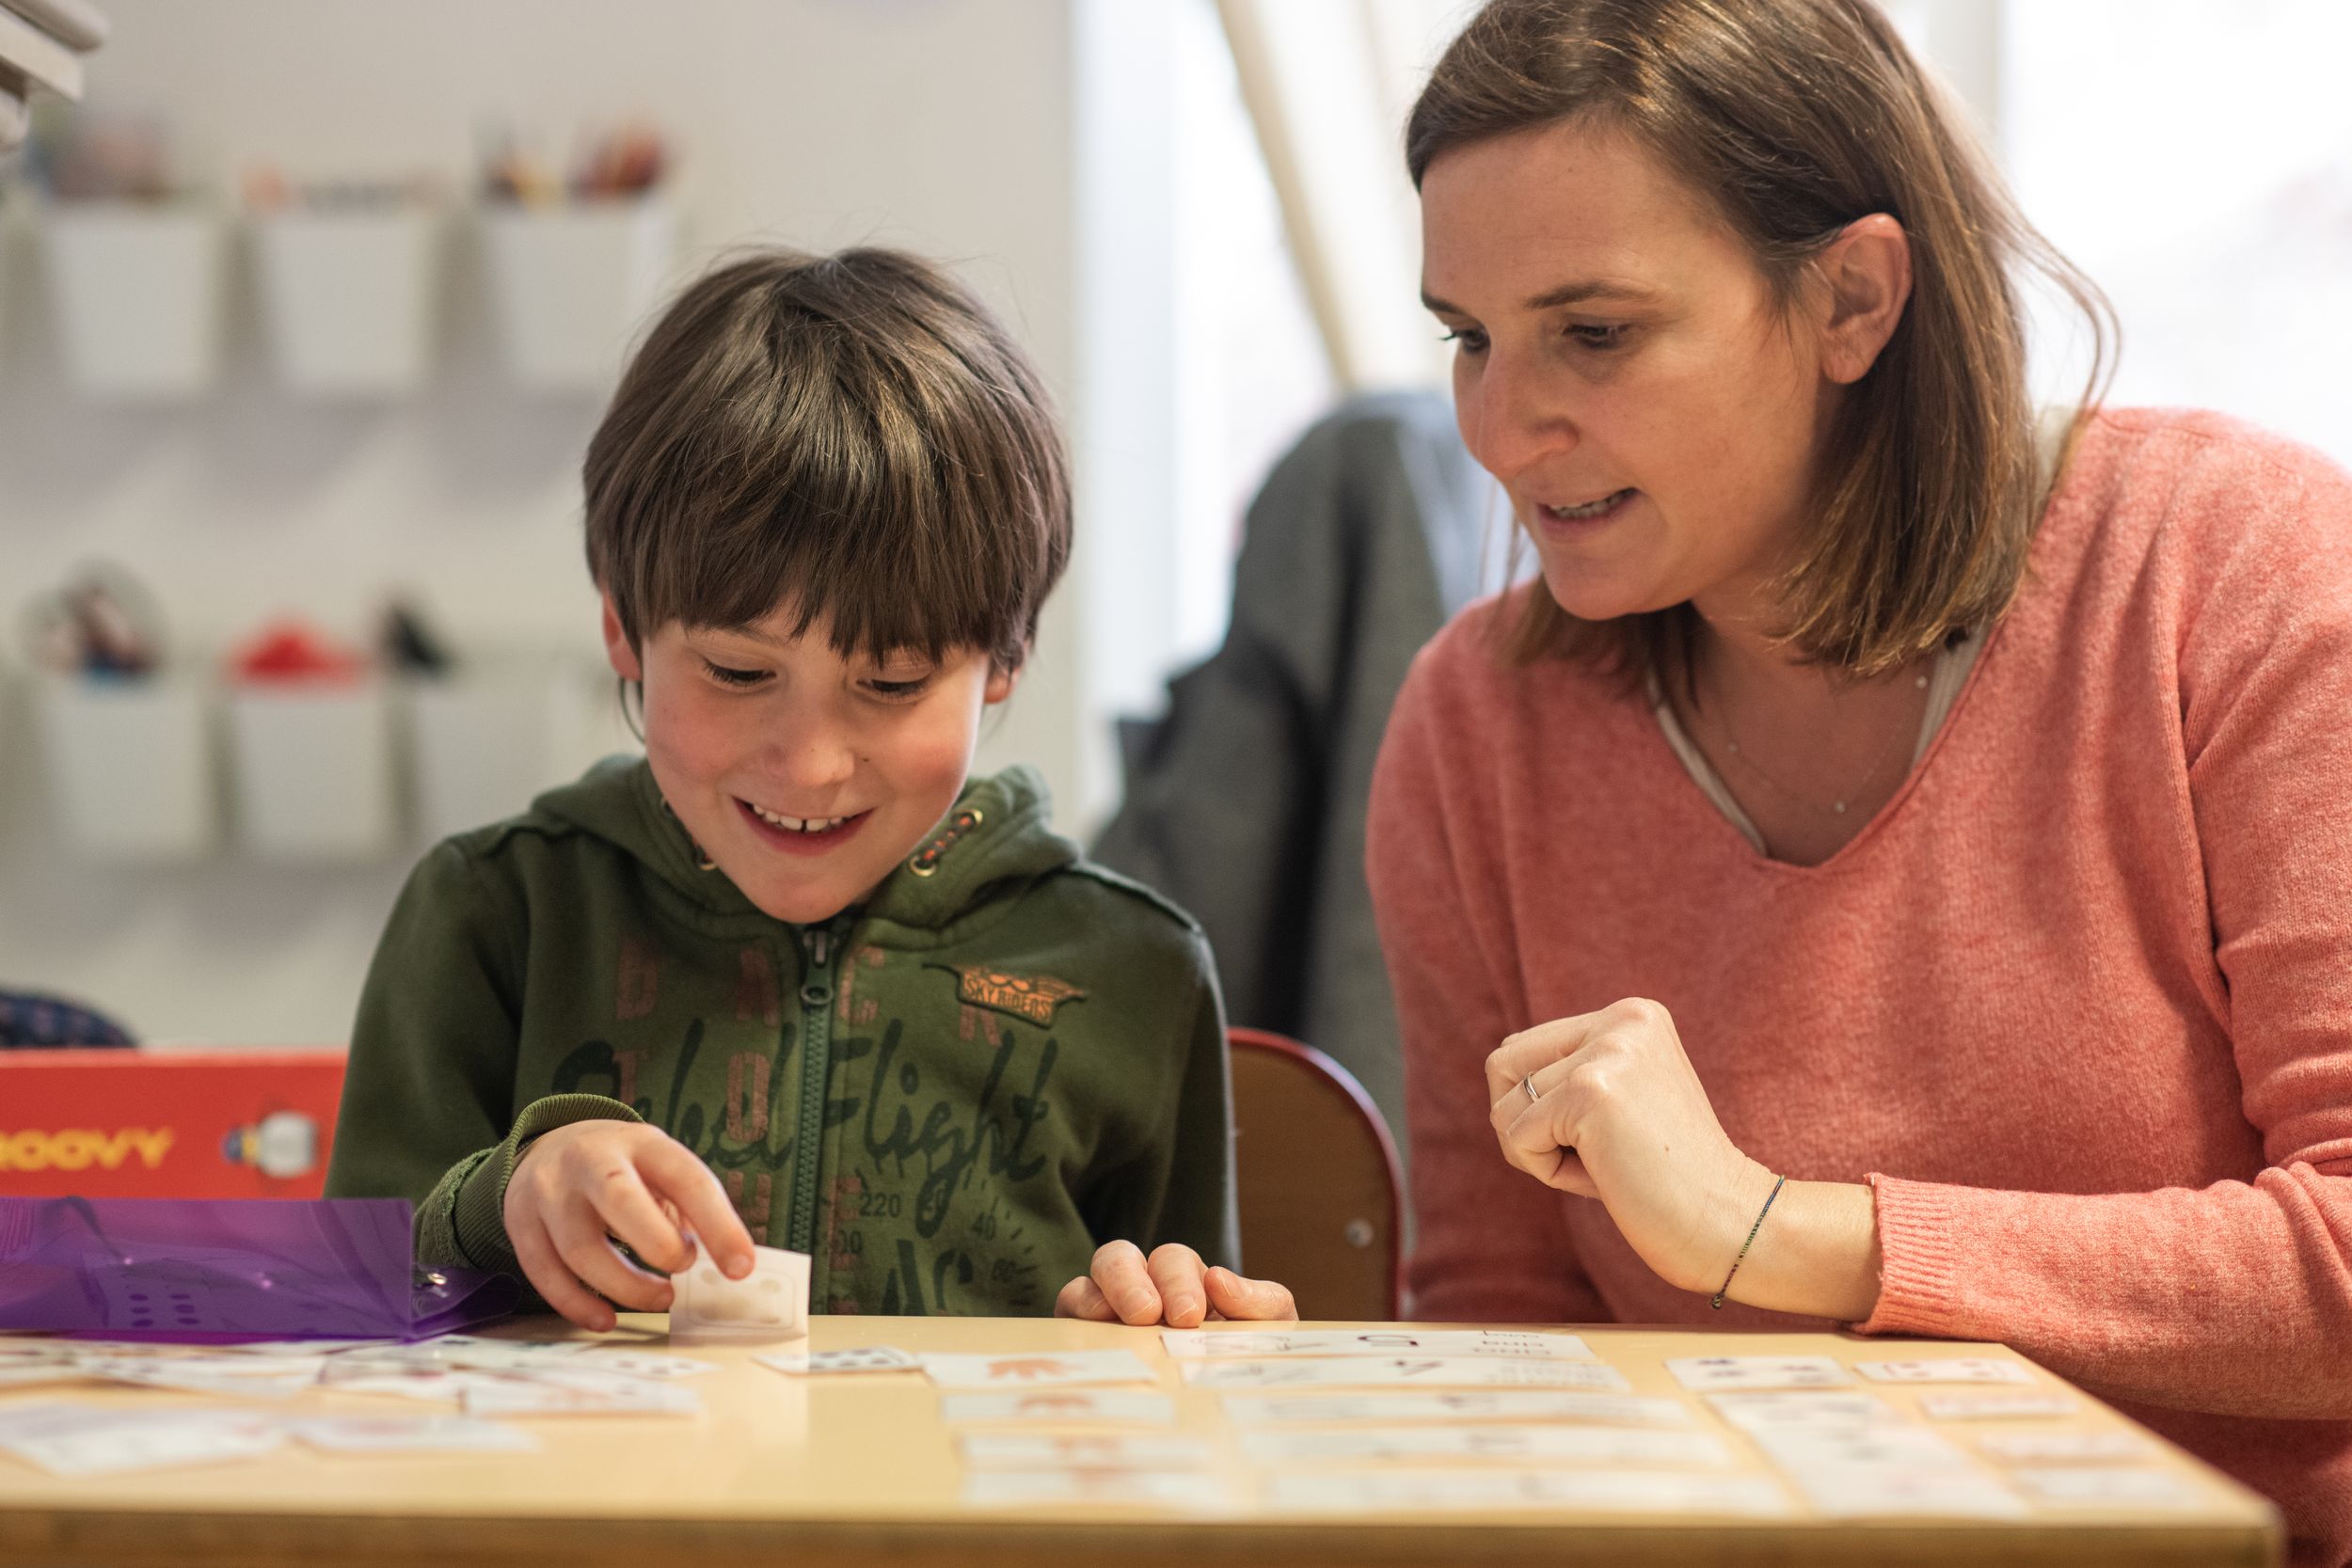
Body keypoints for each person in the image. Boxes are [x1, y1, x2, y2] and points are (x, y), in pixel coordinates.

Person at [1363, 1, 2352, 1561]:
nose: (1501, 425)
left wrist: (1778, 1230)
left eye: (1595, 332)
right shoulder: (1475, 727)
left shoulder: (2238, 574)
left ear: (1853, 299)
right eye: (1470, 338)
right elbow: (1505, 1330)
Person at [326, 247, 1291, 1331]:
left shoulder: (1131, 971)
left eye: (890, 681)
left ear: (1006, 663)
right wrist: (505, 1194)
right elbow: (353, 1311)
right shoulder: (496, 912)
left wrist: (1149, 1321)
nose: (810, 762)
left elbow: (1183, 1371)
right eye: (739, 672)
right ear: (622, 632)